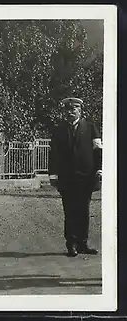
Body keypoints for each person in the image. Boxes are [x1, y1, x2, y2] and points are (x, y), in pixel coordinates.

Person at [48, 97, 102, 257]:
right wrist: (53, 175)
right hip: (66, 178)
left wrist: (99, 170)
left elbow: (98, 151)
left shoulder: (91, 128)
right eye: (67, 110)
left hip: (86, 177)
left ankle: (83, 243)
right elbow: (54, 155)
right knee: (70, 211)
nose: (70, 112)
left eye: (74, 109)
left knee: (84, 211)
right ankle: (71, 244)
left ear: (80, 110)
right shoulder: (58, 130)